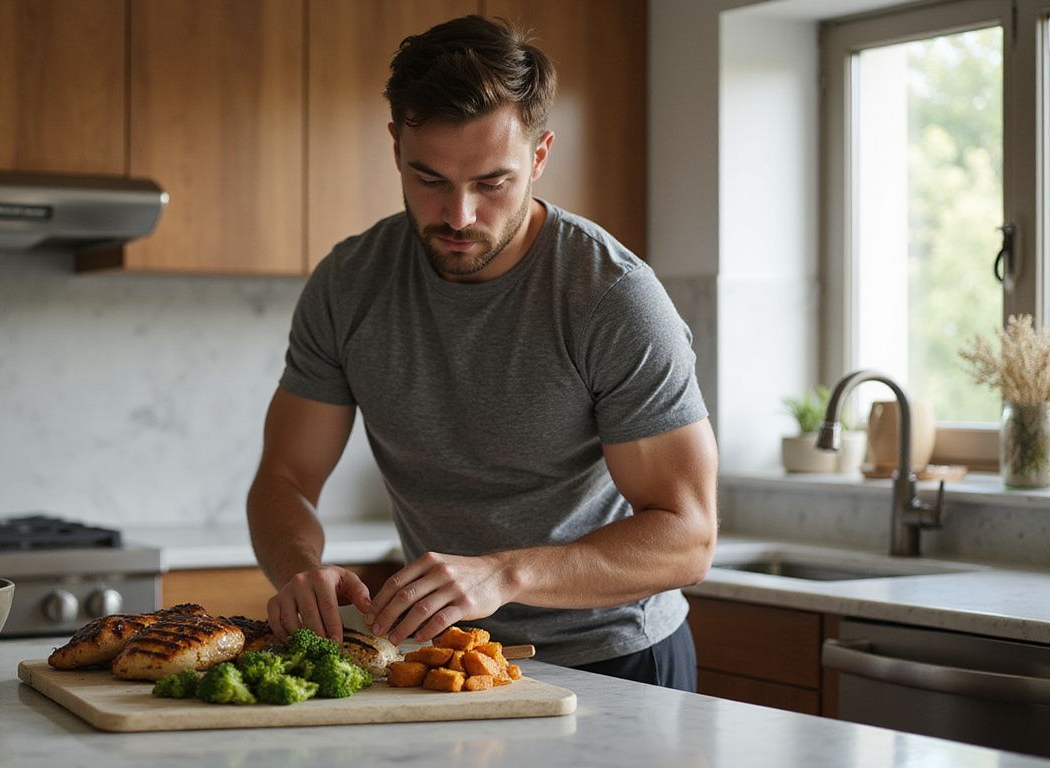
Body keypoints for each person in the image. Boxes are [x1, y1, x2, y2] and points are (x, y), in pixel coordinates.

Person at [245, 15, 718, 691]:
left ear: (540, 155)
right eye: (429, 178)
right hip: (444, 665)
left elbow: (689, 537)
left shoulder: (612, 296)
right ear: (395, 148)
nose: (459, 215)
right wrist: (298, 567)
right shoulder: (350, 283)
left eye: (492, 182)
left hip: (614, 660)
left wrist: (503, 573)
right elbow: (285, 477)